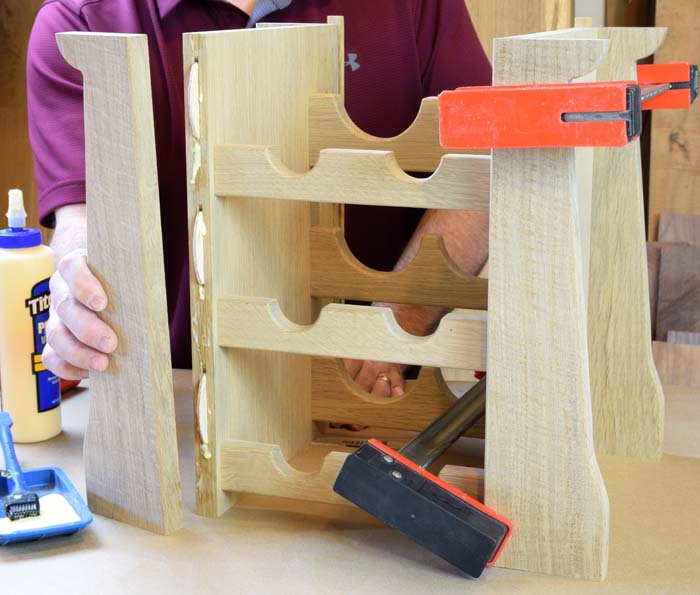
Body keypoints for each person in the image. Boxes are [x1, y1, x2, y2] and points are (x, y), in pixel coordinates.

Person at [29, 0, 491, 400]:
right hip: (185, 401)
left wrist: (395, 325)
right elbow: (84, 221)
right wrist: (81, 295)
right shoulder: (79, 24)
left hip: (371, 405)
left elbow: (487, 168)